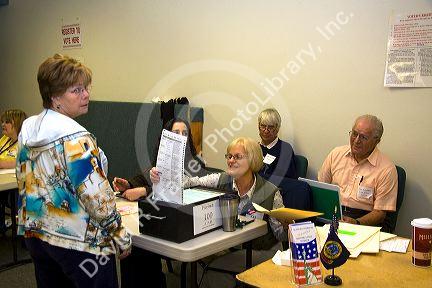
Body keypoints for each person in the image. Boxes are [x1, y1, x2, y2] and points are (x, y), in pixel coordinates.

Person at [16, 54, 131, 288]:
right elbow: (96, 196)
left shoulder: (28, 128)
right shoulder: (76, 138)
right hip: (80, 243)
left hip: (38, 234)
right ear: (55, 96)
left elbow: (23, 178)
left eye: (86, 88)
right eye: (76, 90)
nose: (86, 94)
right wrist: (119, 234)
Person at [150, 137, 287, 249]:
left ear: (252, 160)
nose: (231, 161)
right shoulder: (220, 179)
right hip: (226, 247)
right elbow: (190, 182)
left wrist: (287, 226)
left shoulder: (271, 192)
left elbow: (281, 236)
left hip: (258, 253)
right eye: (229, 156)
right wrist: (160, 177)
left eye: (237, 157)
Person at [318, 115, 398, 226]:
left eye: (363, 137)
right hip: (333, 213)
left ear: (376, 141)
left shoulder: (387, 169)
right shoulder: (336, 154)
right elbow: (320, 188)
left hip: (362, 220)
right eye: (354, 134)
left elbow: (380, 213)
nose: (356, 141)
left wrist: (356, 223)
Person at [112, 118, 207, 201]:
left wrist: (145, 191)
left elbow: (178, 188)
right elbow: (146, 178)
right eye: (176, 133)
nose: (181, 136)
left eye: (185, 133)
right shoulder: (163, 157)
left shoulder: (196, 163)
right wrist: (128, 185)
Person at [0, 109, 27, 234]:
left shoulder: (25, 142)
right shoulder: (5, 139)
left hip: (17, 183)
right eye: (2, 122)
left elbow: (17, 161)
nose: (3, 125)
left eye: (7, 122)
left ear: (16, 124)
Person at [258, 108, 297, 181]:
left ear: (277, 128)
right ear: (258, 127)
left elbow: (288, 180)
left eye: (270, 127)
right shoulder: (254, 148)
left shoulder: (285, 149)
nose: (266, 130)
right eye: (263, 126)